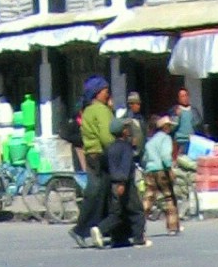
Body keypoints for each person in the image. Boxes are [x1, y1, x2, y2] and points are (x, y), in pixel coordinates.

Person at [71, 76, 113, 249]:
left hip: (91, 154)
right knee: (99, 194)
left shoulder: (87, 110)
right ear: (98, 93)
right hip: (101, 155)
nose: (108, 94)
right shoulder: (100, 110)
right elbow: (107, 136)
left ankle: (101, 229)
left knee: (100, 193)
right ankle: (82, 229)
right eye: (105, 91)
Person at [104, 114, 148, 248]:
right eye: (126, 127)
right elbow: (125, 166)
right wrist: (122, 183)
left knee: (118, 212)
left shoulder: (110, 147)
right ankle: (139, 239)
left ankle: (118, 238)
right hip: (125, 184)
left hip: (113, 183)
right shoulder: (125, 147)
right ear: (123, 131)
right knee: (137, 211)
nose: (128, 129)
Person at [142, 114, 180, 235]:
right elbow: (165, 156)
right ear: (165, 127)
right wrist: (169, 169)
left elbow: (145, 158)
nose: (169, 128)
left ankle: (138, 225)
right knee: (168, 197)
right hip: (161, 170)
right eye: (168, 126)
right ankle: (172, 226)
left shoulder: (150, 141)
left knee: (148, 197)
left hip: (149, 170)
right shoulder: (166, 138)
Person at [172, 87, 201, 160]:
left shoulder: (194, 111)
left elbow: (199, 125)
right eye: (182, 96)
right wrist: (176, 116)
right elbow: (170, 128)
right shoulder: (174, 110)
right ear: (178, 98)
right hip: (180, 143)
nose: (185, 98)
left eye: (186, 95)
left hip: (192, 142)